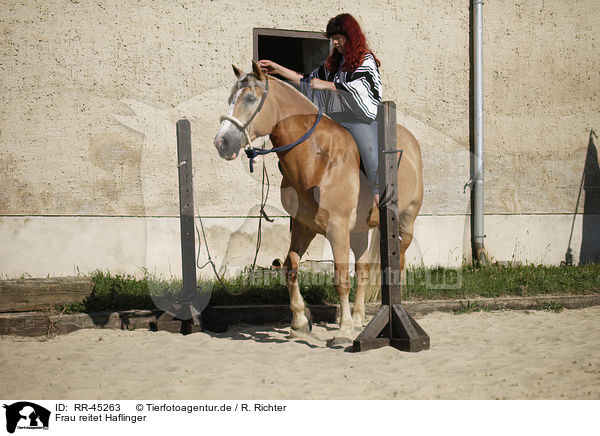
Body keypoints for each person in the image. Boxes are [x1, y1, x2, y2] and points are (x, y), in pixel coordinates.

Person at [258, 13, 382, 226]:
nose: (334, 42)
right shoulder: (335, 62)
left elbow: (364, 89)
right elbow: (307, 79)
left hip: (359, 119)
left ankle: (383, 211)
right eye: (332, 38)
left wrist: (327, 85)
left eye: (338, 37)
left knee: (371, 158)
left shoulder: (365, 59)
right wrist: (277, 69)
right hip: (334, 120)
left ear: (351, 36)